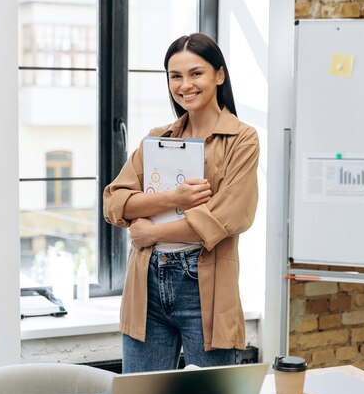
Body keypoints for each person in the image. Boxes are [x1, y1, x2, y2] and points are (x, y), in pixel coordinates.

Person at [103, 33, 259, 373]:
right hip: (146, 282)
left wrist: (152, 233)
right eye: (176, 76)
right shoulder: (158, 138)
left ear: (219, 75)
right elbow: (114, 202)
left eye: (196, 73)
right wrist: (172, 198)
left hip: (205, 284)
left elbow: (230, 215)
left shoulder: (242, 139)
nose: (185, 84)